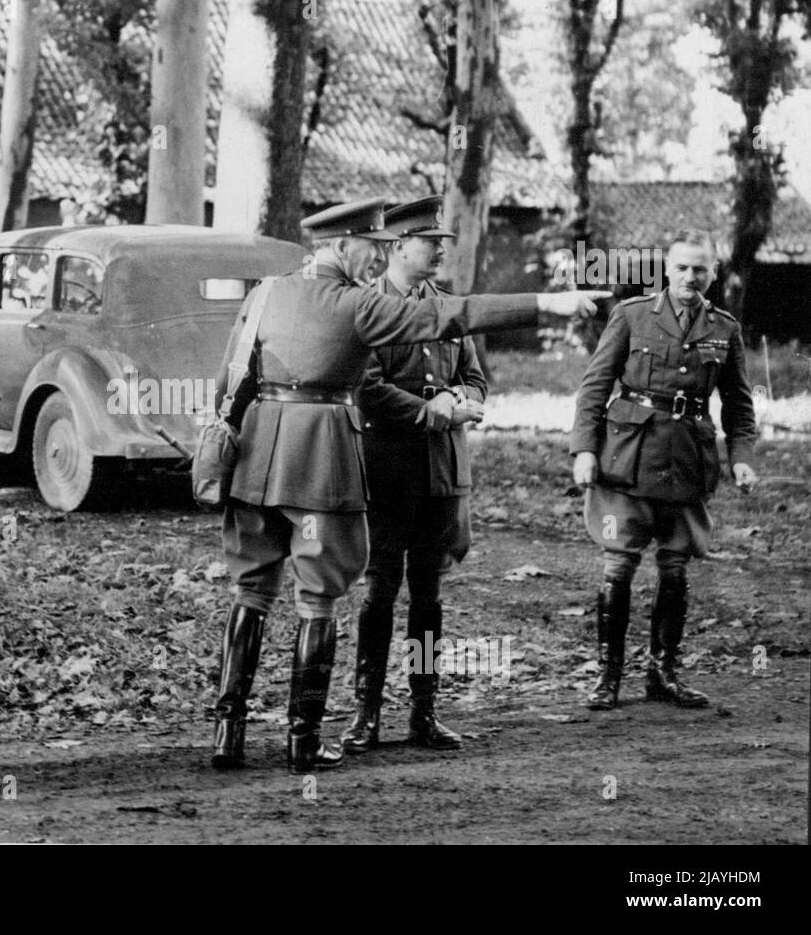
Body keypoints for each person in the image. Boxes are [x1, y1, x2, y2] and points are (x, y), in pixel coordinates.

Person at [210, 197, 607, 773]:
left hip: (256, 461)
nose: (377, 255)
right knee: (319, 597)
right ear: (343, 246)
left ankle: (229, 735)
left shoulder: (267, 293)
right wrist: (547, 303)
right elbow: (450, 316)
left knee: (252, 594)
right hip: (320, 461)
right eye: (371, 245)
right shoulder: (357, 304)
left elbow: (231, 377)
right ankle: (302, 740)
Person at [571, 229, 757, 711]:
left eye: (700, 269)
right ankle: (608, 678)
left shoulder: (725, 329)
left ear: (714, 274)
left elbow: (738, 402)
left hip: (687, 459)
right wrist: (583, 451)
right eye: (682, 267)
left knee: (674, 567)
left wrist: (741, 458)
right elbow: (595, 388)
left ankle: (663, 673)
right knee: (619, 564)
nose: (690, 277)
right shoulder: (631, 315)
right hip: (626, 455)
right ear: (666, 270)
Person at [341, 196, 485, 754]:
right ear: (398, 247)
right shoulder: (367, 307)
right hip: (387, 468)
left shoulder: (447, 308)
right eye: (432, 243)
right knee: (379, 592)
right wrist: (430, 410)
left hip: (442, 470)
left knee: (429, 595)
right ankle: (365, 714)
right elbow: (366, 385)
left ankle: (423, 713)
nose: (440, 252)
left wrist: (461, 396)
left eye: (443, 243)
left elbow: (475, 377)